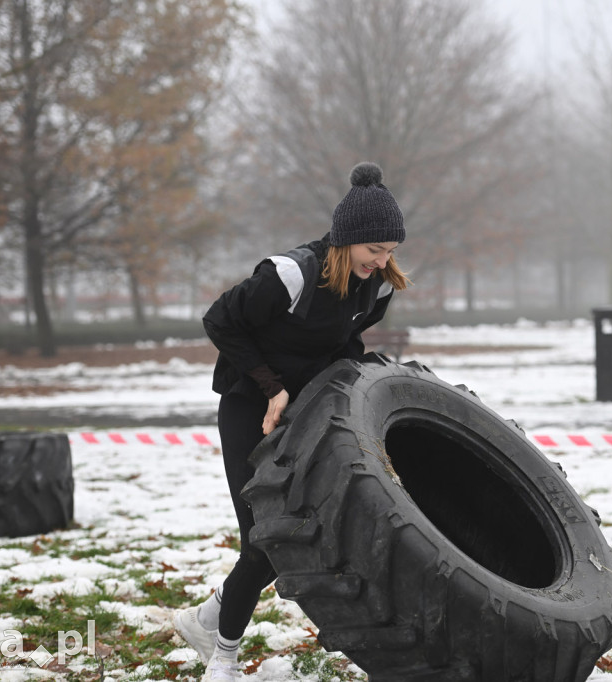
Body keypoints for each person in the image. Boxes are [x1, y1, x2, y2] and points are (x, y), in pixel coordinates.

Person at [173, 162, 410, 681]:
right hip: (247, 407)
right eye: (374, 250)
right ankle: (224, 661)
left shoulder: (378, 287)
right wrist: (271, 387)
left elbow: (343, 344)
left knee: (294, 535)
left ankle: (206, 618)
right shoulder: (290, 274)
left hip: (302, 412)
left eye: (391, 250)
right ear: (347, 240)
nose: (383, 261)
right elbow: (219, 320)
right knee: (263, 540)